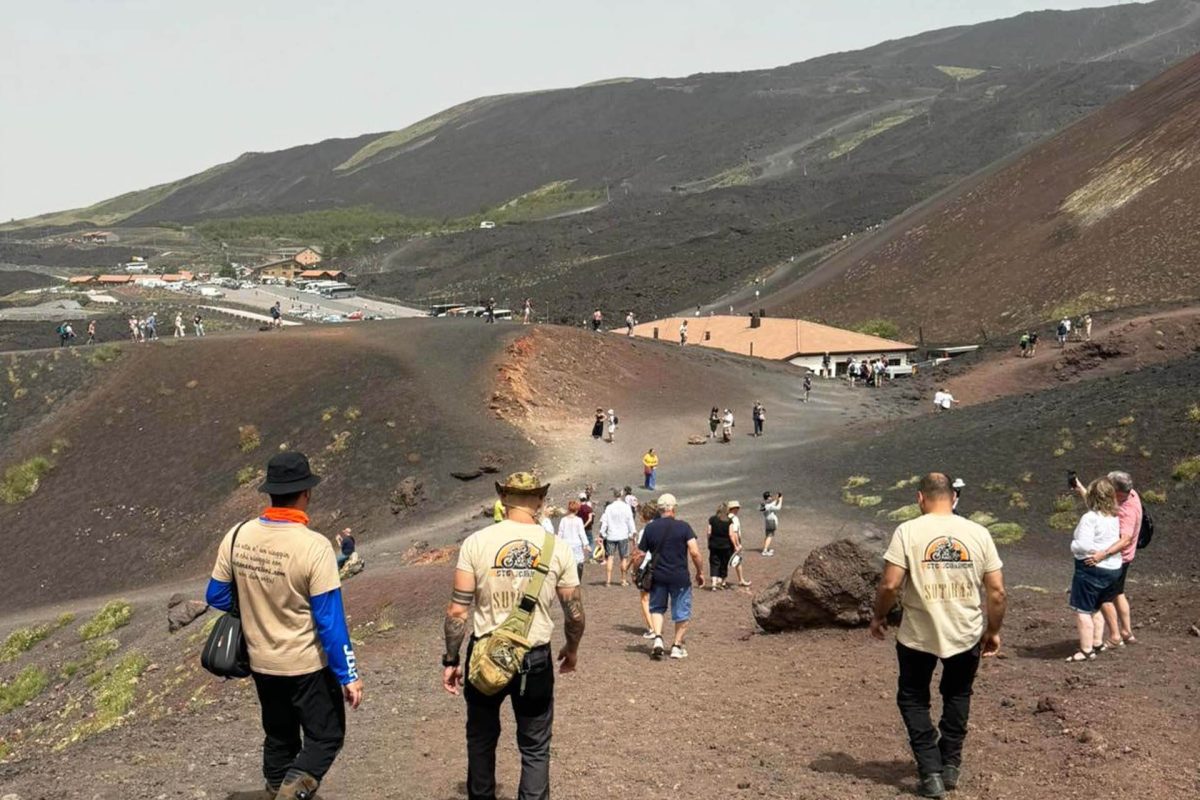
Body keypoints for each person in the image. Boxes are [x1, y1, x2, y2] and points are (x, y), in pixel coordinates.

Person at [205, 452, 362, 800]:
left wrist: (254, 606)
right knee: (326, 737)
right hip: (306, 664)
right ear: (306, 493)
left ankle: (276, 789)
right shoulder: (314, 546)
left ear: (270, 492)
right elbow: (329, 621)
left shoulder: (237, 535)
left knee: (280, 735)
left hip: (261, 661)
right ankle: (290, 795)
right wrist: (349, 674)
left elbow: (215, 595)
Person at [442, 472, 584, 800]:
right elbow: (575, 613)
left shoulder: (476, 543)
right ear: (538, 500)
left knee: (481, 740)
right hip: (534, 658)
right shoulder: (558, 548)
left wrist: (450, 660)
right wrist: (572, 649)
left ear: (503, 499)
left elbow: (457, 612)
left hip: (484, 654)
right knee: (535, 746)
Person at [869, 473, 1006, 799]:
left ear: (920, 498)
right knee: (958, 695)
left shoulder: (908, 531)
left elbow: (890, 585)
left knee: (913, 697)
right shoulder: (978, 533)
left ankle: (931, 770)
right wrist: (994, 631)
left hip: (919, 634)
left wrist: (878, 615)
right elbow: (997, 591)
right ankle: (950, 765)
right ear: (953, 497)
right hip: (966, 631)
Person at [639, 493, 704, 659]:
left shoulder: (650, 528)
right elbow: (695, 552)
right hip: (679, 576)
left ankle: (658, 638)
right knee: (682, 611)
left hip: (658, 576)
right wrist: (700, 572)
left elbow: (640, 553)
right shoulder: (684, 527)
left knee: (657, 608)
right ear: (674, 508)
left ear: (659, 509)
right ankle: (676, 646)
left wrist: (636, 571)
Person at [1066, 477, 1123, 661]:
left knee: (1083, 610)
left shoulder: (1089, 518)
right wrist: (1080, 487)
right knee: (1097, 606)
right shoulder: (1113, 516)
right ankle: (1097, 643)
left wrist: (1072, 545)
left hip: (1091, 569)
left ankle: (1086, 650)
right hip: (1113, 568)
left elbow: (1083, 545)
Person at [1087, 471, 1142, 645]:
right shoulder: (1131, 494)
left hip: (1117, 559)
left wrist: (1103, 554)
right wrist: (1080, 488)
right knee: (1118, 593)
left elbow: (1125, 539)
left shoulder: (1126, 511)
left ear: (1117, 491)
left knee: (1103, 597)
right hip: (1125, 558)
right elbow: (1098, 504)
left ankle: (1115, 637)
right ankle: (1127, 632)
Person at [632, 502, 659, 637]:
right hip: (661, 565)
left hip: (647, 566)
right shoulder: (662, 527)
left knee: (645, 598)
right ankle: (657, 626)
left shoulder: (645, 531)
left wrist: (634, 570)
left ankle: (652, 628)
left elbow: (640, 553)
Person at [600, 489, 637, 587]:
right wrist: (633, 532)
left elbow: (605, 521)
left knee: (610, 558)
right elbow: (630, 521)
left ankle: (608, 581)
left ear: (614, 495)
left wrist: (602, 533)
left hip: (611, 535)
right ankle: (623, 580)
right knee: (624, 558)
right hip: (623, 535)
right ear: (621, 494)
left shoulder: (609, 507)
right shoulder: (626, 507)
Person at [706, 503, 735, 590]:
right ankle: (723, 582)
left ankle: (714, 584)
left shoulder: (712, 519)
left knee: (714, 563)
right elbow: (731, 534)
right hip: (726, 546)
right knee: (724, 563)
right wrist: (735, 545)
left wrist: (708, 541)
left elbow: (709, 532)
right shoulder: (729, 521)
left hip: (714, 545)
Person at [558, 500, 589, 582]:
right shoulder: (579, 520)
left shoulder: (563, 520)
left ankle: (568, 579)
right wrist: (586, 544)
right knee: (579, 562)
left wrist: (558, 544)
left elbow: (560, 533)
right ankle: (578, 580)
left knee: (567, 563)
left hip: (566, 544)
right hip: (576, 544)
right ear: (577, 510)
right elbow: (582, 533)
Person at [726, 501, 751, 587]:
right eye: (737, 508)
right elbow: (735, 532)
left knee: (724, 560)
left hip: (725, 542)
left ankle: (720, 579)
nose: (738, 510)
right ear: (734, 509)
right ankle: (741, 580)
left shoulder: (725, 517)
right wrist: (737, 545)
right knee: (737, 561)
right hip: (733, 542)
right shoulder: (734, 518)